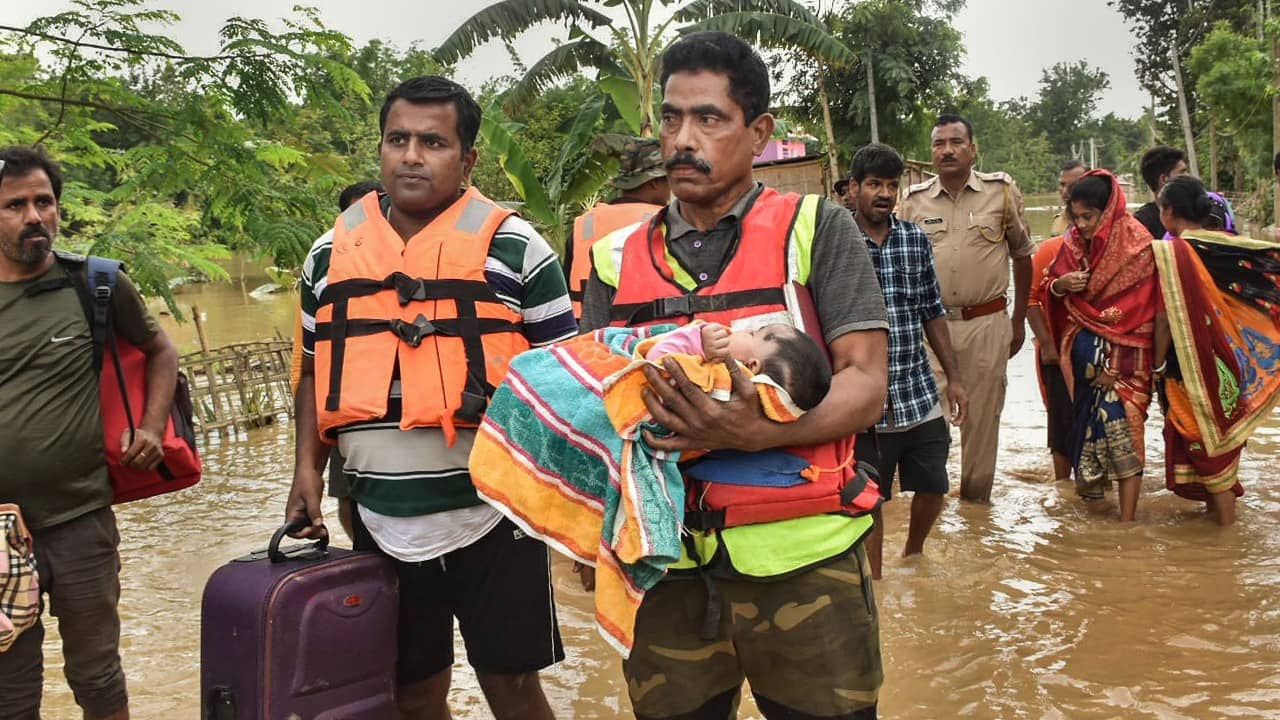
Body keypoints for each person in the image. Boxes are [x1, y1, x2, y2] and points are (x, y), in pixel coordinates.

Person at [579, 31, 889, 719]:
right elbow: (590, 398)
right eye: (670, 118)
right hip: (661, 568)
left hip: (804, 561)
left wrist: (760, 434)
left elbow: (867, 383)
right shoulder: (611, 257)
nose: (683, 139)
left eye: (709, 119)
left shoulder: (818, 228)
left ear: (759, 133)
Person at [284, 76, 573, 720]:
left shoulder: (517, 249)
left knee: (512, 686)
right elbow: (312, 370)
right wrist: (306, 472)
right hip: (378, 520)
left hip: (497, 516)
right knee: (412, 693)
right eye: (398, 140)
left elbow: (568, 382)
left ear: (467, 160)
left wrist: (581, 509)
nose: (411, 156)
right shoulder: (328, 256)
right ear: (381, 149)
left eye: (433, 143)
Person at [0, 146, 180, 720]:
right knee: (10, 692)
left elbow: (161, 350)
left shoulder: (94, 283)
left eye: (44, 202)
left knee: (98, 677)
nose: (34, 216)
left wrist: (151, 426)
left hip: (81, 519)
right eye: (14, 205)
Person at [898, 113, 1033, 504]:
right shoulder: (913, 201)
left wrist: (1018, 322)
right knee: (929, 422)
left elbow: (1023, 256)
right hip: (928, 328)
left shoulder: (1000, 192)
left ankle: (976, 513)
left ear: (973, 149)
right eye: (939, 144)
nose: (947, 150)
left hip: (986, 323)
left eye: (956, 142)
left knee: (982, 423)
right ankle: (931, 510)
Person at [847, 143, 967, 580]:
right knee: (869, 499)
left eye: (891, 185)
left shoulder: (914, 239)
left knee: (934, 485)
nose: (884, 193)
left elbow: (932, 310)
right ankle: (876, 585)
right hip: (863, 399)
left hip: (916, 390)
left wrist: (954, 378)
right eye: (874, 184)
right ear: (854, 188)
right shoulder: (837, 241)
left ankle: (914, 557)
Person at [1152, 175, 1280, 526]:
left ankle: (1226, 534)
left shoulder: (1172, 254)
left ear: (1168, 212)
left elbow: (1163, 318)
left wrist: (1157, 364)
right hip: (1232, 364)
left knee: (1206, 450)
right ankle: (1218, 528)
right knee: (1220, 445)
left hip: (1188, 368)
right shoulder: (1229, 247)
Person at [1042, 170, 1160, 521]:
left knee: (1128, 437)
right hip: (1085, 369)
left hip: (1127, 366)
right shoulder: (1072, 243)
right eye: (1076, 217)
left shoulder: (1137, 244)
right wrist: (1062, 285)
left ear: (1107, 211)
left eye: (1088, 217)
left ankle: (1127, 521)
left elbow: (1145, 311)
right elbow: (1050, 289)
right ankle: (1097, 518)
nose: (1081, 225)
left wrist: (1116, 367)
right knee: (1087, 438)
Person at [288, 180, 383, 543]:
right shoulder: (326, 268)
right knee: (347, 496)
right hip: (340, 406)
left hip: (387, 405)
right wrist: (307, 467)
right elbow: (308, 366)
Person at [1028, 165, 1088, 484]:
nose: (1067, 191)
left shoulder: (1118, 248)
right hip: (1059, 347)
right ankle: (1064, 489)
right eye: (1062, 185)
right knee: (1062, 424)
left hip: (1102, 349)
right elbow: (1031, 298)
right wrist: (1049, 347)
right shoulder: (1052, 247)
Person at [566, 137, 668, 317]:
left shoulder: (585, 224)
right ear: (654, 182)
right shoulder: (663, 223)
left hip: (584, 327)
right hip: (642, 329)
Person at [1133, 145, 1188, 240]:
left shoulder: (1198, 213)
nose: (1188, 177)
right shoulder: (1141, 224)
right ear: (1164, 179)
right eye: (1182, 173)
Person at [1049, 160, 1088, 236]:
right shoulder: (1058, 221)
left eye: (1073, 185)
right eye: (1062, 184)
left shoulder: (1099, 221)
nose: (1065, 191)